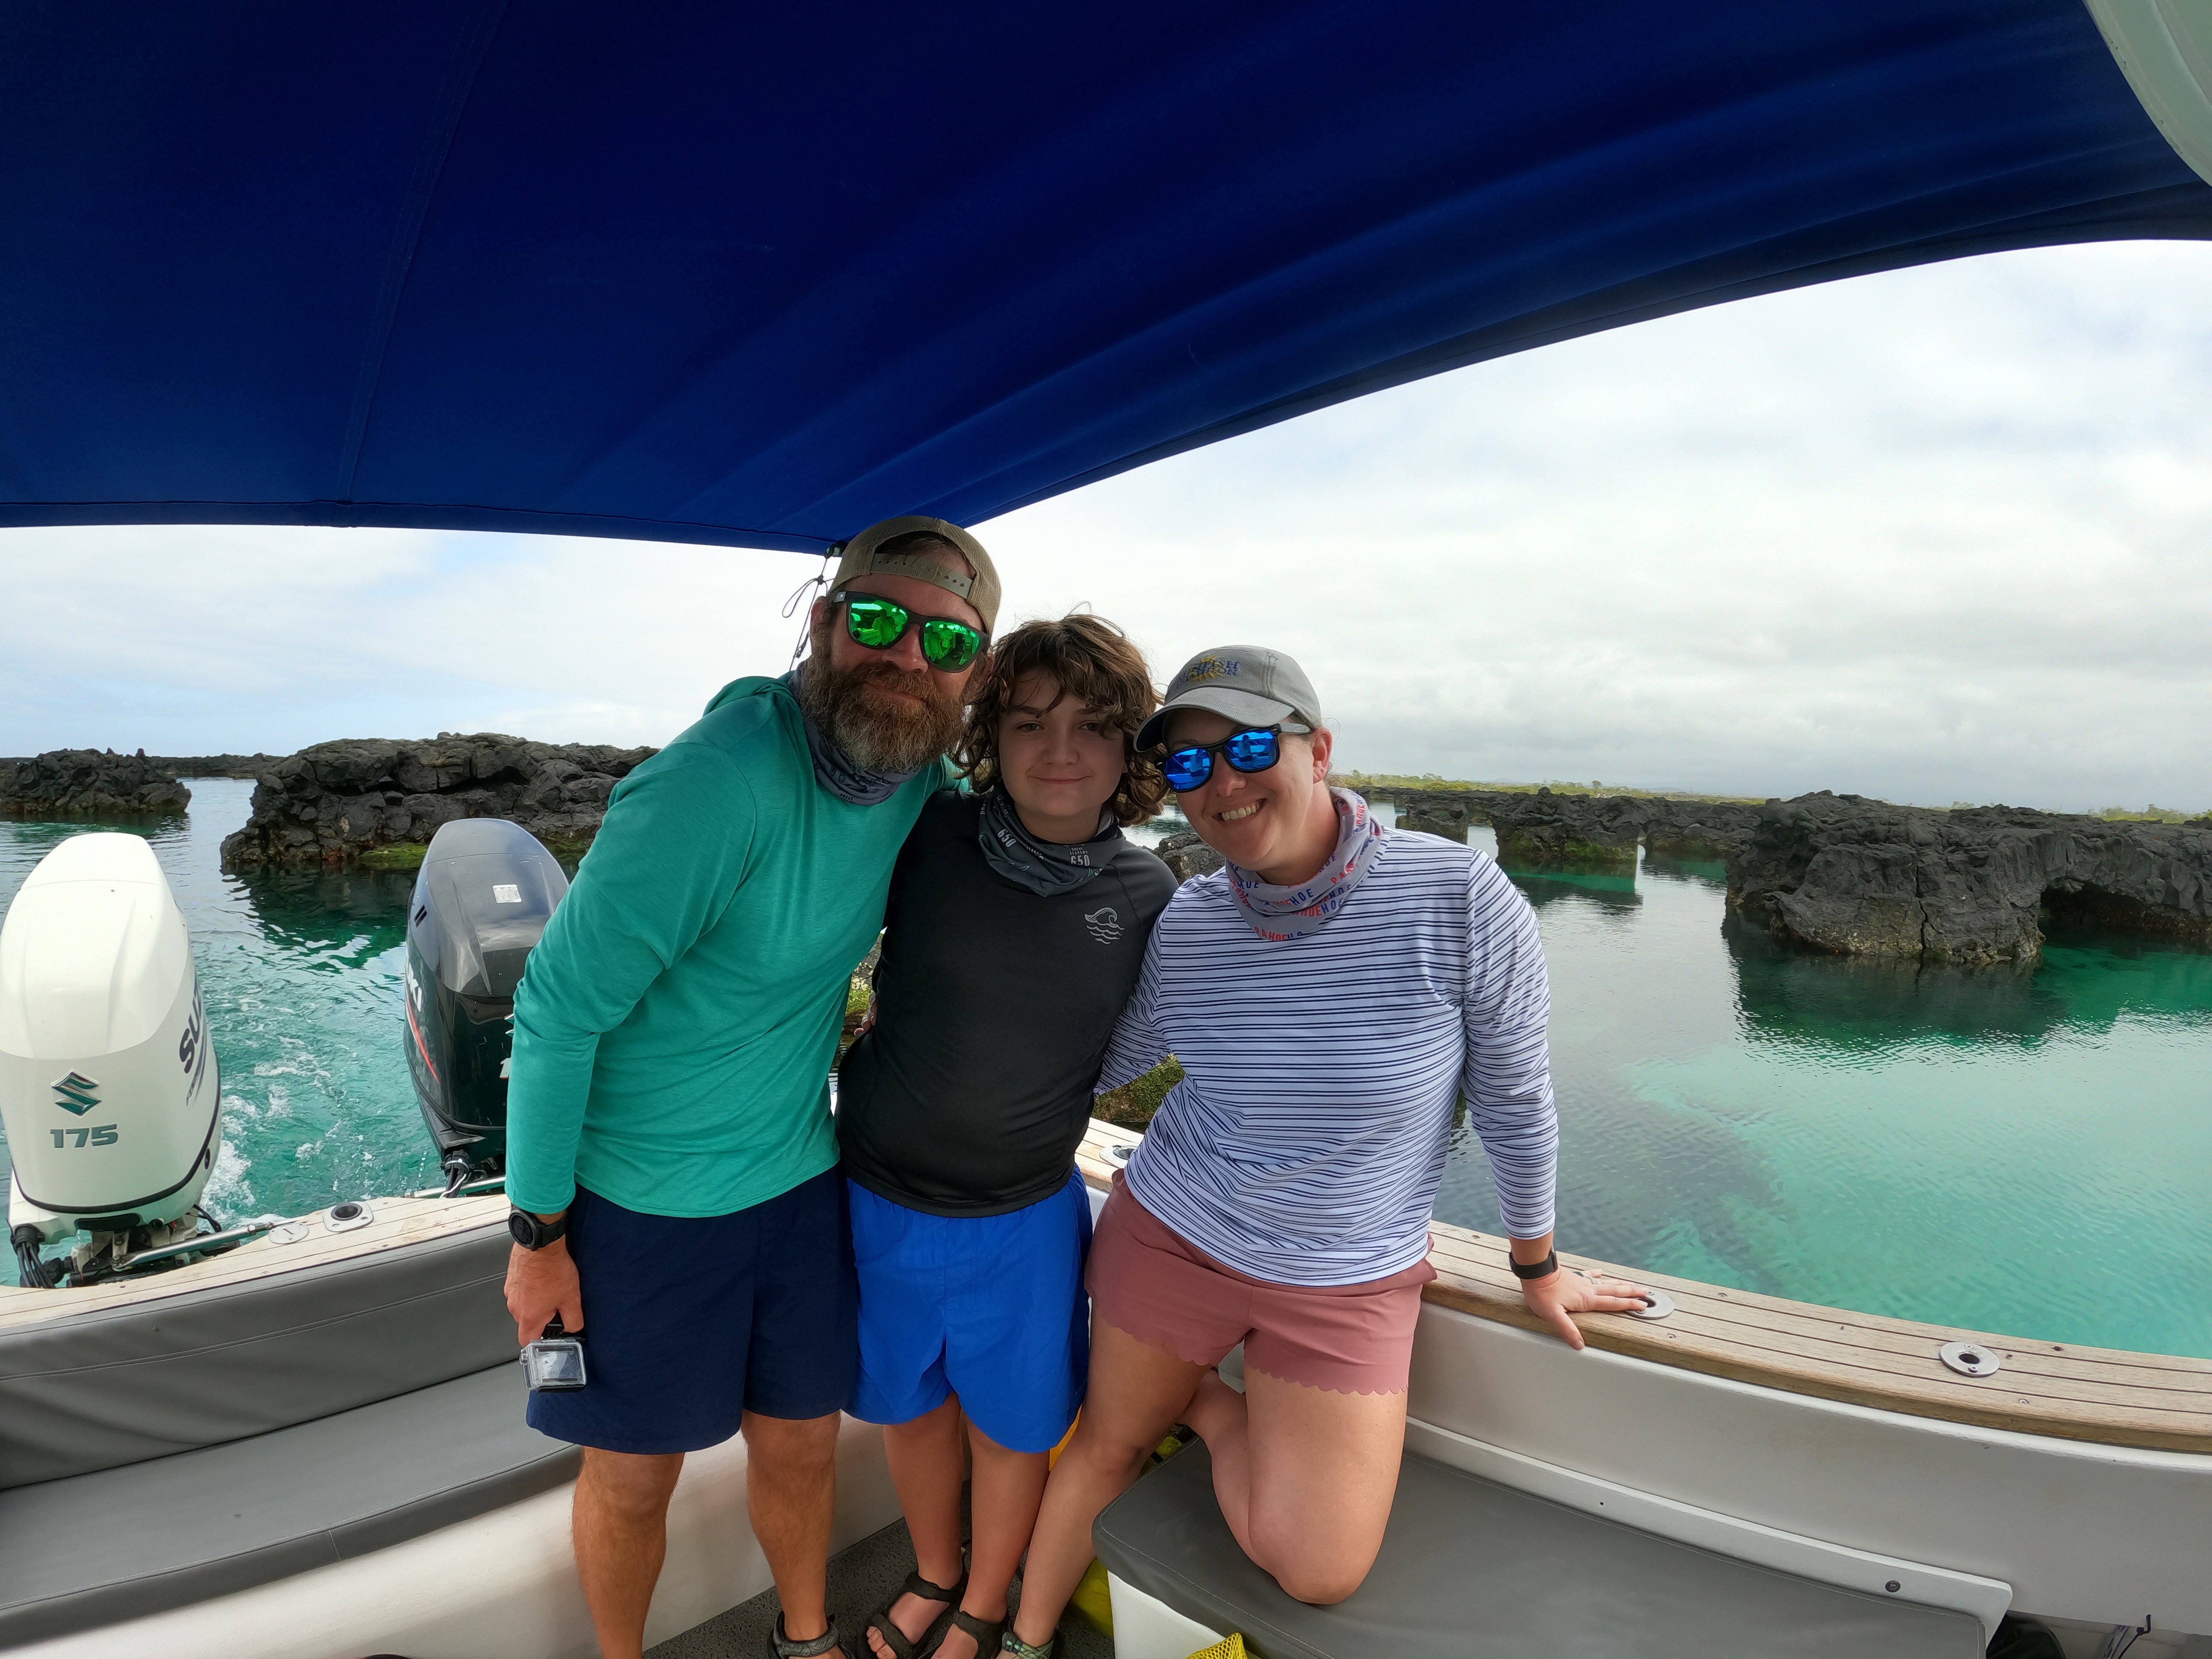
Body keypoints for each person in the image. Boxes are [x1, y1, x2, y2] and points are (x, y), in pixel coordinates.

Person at [1000, 645, 1650, 1656]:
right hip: (1175, 1232)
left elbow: (1517, 1099)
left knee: (1318, 1569)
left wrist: (1538, 1263)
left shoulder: (1460, 898)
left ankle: (1210, 1409)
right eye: (1188, 765)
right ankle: (1021, 1639)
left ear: (1321, 750)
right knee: (1105, 1450)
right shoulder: (1189, 921)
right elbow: (1108, 1060)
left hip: (1343, 1277)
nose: (1221, 782)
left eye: (1250, 745)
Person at [502, 516, 1003, 1659]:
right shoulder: (714, 786)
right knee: (635, 1479)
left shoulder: (909, 778)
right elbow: (555, 1010)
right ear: (823, 625)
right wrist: (538, 1233)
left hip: (795, 1185)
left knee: (802, 1446)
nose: (908, 657)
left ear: (974, 671)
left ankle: (808, 1636)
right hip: (642, 1204)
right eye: (876, 620)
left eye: (948, 642)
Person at [834, 615, 1176, 1659]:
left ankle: (986, 1600)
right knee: (912, 1410)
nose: (1058, 751)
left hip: (1023, 1220)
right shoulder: (928, 831)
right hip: (875, 1197)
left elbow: (1139, 1045)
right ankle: (936, 1569)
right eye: (1027, 723)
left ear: (1129, 750)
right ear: (989, 736)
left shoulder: (1149, 894)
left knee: (1016, 1427)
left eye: (1089, 727)